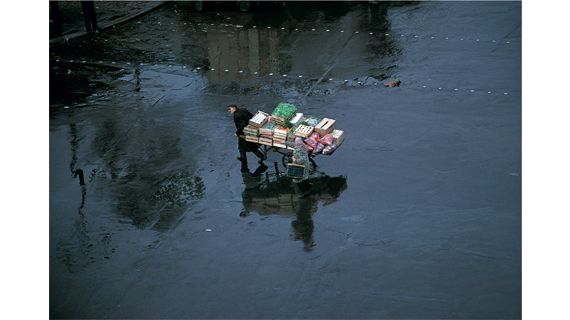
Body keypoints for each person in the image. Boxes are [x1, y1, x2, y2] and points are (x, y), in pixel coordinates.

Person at [227, 105, 266, 172]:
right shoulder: (243, 109)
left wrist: (237, 133)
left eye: (229, 109)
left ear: (234, 108)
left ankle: (261, 156)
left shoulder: (236, 115)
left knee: (250, 146)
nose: (228, 111)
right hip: (250, 129)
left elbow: (242, 125)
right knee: (241, 147)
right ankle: (242, 158)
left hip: (244, 133)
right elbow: (252, 117)